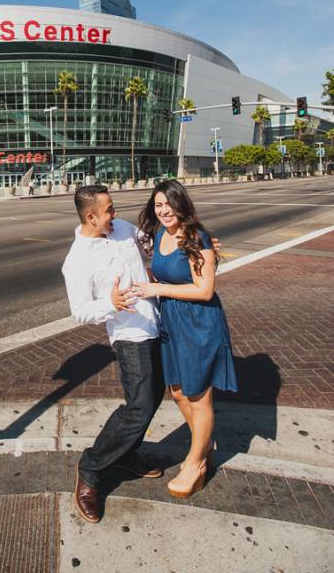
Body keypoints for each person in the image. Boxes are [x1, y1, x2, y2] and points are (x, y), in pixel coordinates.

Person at [62, 184, 165, 523]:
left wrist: (189, 246)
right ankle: (91, 468)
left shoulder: (122, 229)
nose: (115, 214)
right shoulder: (77, 260)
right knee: (140, 406)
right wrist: (111, 303)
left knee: (156, 393)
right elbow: (79, 310)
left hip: (156, 321)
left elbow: (151, 245)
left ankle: (127, 452)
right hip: (128, 333)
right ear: (91, 216)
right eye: (108, 210)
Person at [132, 180, 238, 499]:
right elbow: (165, 274)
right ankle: (203, 445)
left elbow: (204, 290)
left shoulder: (196, 236)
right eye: (158, 205)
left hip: (199, 322)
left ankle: (195, 463)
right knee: (178, 391)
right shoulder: (161, 234)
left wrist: (157, 289)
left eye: (169, 204)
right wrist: (145, 282)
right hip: (173, 322)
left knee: (198, 395)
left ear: (182, 204)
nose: (164, 211)